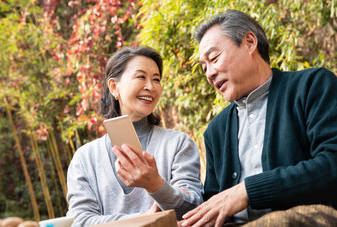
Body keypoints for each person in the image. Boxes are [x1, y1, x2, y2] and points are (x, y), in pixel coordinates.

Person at [181, 9, 337, 227]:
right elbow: (214, 202)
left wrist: (247, 190)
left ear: (249, 42)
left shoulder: (313, 86)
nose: (209, 73)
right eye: (204, 67)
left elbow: (332, 164)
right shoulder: (215, 131)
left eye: (214, 58)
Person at [66, 46, 203, 226]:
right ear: (114, 87)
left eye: (156, 79)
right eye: (141, 77)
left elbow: (195, 208)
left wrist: (156, 185)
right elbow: (80, 221)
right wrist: (144, 218)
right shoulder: (84, 158)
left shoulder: (178, 144)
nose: (150, 87)